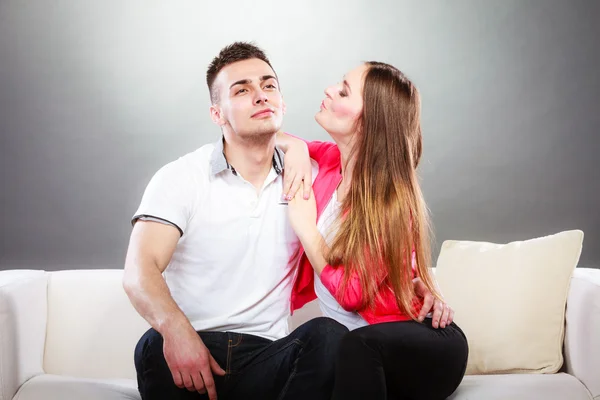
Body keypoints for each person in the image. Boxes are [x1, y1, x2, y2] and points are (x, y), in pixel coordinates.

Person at [122, 42, 350, 400]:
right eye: (242, 90)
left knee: (329, 337)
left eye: (269, 85)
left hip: (269, 357)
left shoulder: (311, 180)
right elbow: (139, 271)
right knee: (152, 344)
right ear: (217, 114)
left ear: (282, 103)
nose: (260, 96)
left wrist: (413, 277)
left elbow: (383, 178)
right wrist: (177, 332)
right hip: (193, 350)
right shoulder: (181, 176)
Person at [277, 61, 469, 400]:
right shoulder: (332, 161)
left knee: (353, 346)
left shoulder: (392, 201)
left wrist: (307, 228)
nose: (329, 90)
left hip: (425, 348)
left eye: (344, 90)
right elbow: (271, 136)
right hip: (365, 354)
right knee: (341, 353)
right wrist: (296, 148)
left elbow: (353, 295)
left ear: (368, 122)